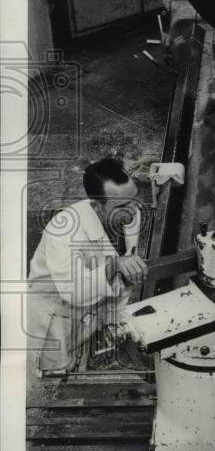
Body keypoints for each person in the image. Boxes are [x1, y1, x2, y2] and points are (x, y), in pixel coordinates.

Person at [27, 157, 148, 374]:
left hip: (90, 311)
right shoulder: (62, 232)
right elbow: (74, 292)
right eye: (122, 205)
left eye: (134, 197)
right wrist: (115, 266)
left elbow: (125, 259)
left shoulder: (128, 210)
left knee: (81, 358)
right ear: (96, 205)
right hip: (55, 316)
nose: (133, 210)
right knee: (54, 372)